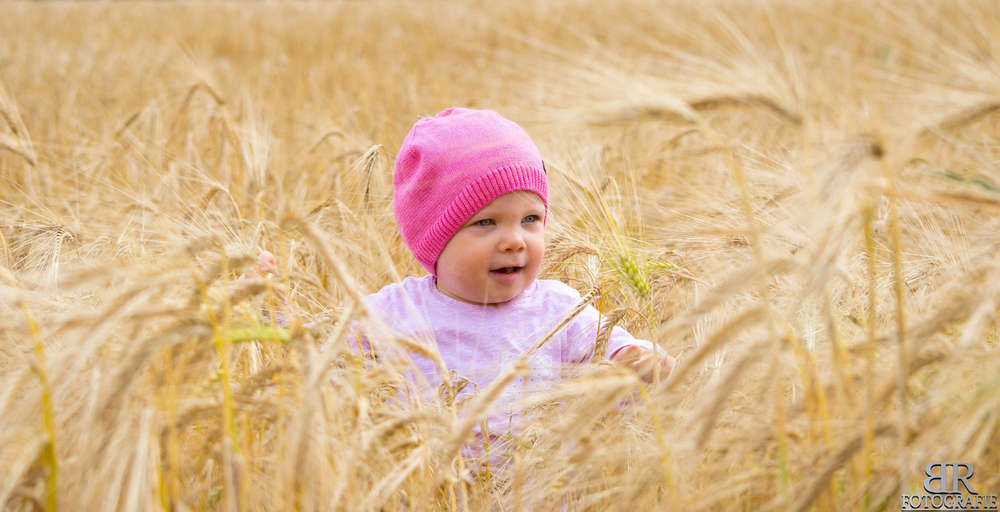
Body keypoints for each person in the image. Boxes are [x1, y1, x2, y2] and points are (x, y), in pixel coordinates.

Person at [350, 108, 675, 429]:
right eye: (486, 222)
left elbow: (625, 353)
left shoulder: (559, 312)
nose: (515, 241)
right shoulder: (389, 315)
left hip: (542, 480)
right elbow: (315, 374)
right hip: (426, 481)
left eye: (530, 219)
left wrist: (640, 361)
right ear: (434, 237)